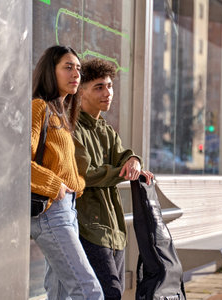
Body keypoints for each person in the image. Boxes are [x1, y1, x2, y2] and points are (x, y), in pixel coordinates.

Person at [73, 58, 154, 300]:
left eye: (109, 86)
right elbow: (84, 175)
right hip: (89, 227)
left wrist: (134, 161)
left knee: (111, 292)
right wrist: (123, 170)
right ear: (81, 91)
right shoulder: (73, 128)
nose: (107, 93)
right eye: (99, 87)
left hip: (115, 228)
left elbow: (124, 155)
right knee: (109, 293)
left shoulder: (106, 129)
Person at [30, 45, 104, 299]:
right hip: (51, 210)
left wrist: (77, 185)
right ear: (51, 71)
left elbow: (64, 164)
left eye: (78, 69)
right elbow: (19, 163)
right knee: (89, 290)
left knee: (60, 293)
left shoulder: (61, 113)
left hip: (67, 208)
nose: (76, 74)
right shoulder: (38, 107)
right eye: (68, 67)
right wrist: (56, 186)